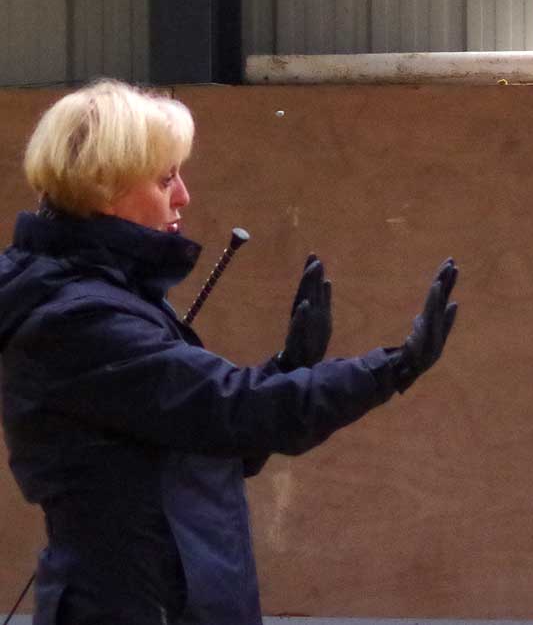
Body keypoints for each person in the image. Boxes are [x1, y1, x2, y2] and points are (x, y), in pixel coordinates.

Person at [0, 79, 459, 624]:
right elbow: (234, 409)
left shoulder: (110, 298)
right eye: (165, 178)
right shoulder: (77, 319)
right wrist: (392, 368)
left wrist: (289, 367)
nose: (183, 196)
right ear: (104, 187)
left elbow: (210, 442)